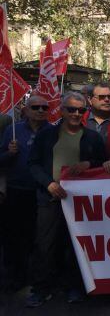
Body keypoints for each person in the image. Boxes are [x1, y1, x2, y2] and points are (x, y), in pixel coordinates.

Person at [27, 92, 106, 307]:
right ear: (62, 110)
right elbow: (32, 163)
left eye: (80, 110)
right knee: (45, 245)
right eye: (71, 109)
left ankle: (75, 287)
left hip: (80, 203)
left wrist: (89, 164)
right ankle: (41, 289)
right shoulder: (46, 135)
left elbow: (105, 161)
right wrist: (48, 184)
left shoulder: (93, 137)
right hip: (50, 199)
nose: (76, 114)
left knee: (77, 247)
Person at [0, 95, 52, 291]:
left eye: (44, 108)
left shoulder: (53, 132)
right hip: (16, 190)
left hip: (42, 192)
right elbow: (1, 159)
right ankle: (13, 275)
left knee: (37, 237)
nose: (40, 111)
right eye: (36, 107)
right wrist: (9, 153)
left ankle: (36, 276)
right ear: (27, 109)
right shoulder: (13, 130)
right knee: (13, 236)